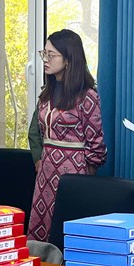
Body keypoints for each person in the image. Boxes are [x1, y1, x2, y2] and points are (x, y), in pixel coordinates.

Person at [27, 29, 107, 241]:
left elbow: (96, 142)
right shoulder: (46, 94)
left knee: (68, 230)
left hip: (74, 172)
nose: (45, 59)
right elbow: (37, 131)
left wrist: (85, 176)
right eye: (44, 53)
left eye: (51, 55)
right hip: (45, 174)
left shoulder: (87, 95)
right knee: (42, 230)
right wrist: (40, 160)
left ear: (69, 60)